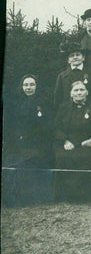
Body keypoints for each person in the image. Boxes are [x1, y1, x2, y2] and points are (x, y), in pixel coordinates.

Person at [3, 75, 53, 206]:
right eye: (26, 85)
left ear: (37, 86)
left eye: (32, 85)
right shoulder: (15, 103)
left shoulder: (44, 102)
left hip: (39, 145)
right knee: (16, 163)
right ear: (22, 87)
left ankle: (32, 198)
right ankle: (16, 198)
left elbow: (47, 127)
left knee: (31, 162)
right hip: (19, 145)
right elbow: (11, 127)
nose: (29, 88)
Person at [52, 80, 91, 203]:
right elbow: (56, 128)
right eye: (76, 90)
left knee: (87, 157)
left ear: (87, 92)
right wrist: (65, 141)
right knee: (63, 157)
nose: (79, 92)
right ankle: (66, 196)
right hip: (68, 143)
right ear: (71, 93)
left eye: (82, 90)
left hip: (87, 143)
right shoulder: (63, 108)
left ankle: (85, 196)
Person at [54, 41, 91, 107]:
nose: (75, 57)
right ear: (68, 60)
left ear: (83, 58)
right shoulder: (62, 76)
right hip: (69, 111)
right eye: (72, 56)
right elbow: (58, 98)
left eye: (77, 55)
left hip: (88, 109)